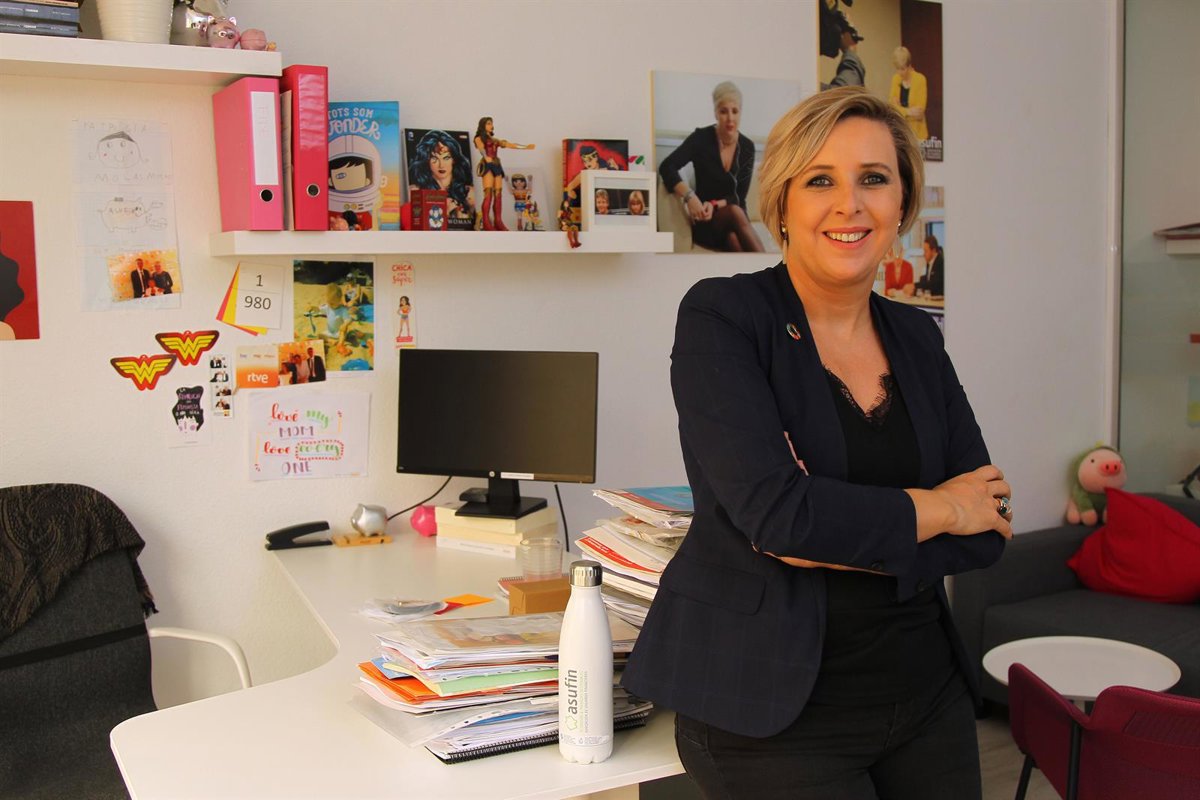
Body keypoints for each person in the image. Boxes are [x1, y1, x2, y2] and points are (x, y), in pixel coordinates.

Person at [622, 86, 1012, 800]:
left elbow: (990, 525)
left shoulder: (918, 337)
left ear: (901, 201)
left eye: (874, 178)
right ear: (782, 201)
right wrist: (942, 509)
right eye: (821, 181)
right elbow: (782, 517)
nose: (849, 205)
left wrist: (830, 523)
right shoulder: (725, 318)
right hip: (769, 708)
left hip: (926, 691)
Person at [659, 81, 764, 252]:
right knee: (734, 212)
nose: (730, 118)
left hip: (733, 220)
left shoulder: (747, 147)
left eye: (735, 111)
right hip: (706, 221)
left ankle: (761, 268)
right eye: (723, 111)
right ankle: (771, 265)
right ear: (715, 112)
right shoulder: (701, 139)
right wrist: (690, 197)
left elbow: (739, 196)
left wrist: (715, 204)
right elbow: (667, 166)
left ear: (741, 112)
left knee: (733, 238)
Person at [473, 117, 534, 231]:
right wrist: (486, 157)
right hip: (488, 165)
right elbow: (481, 148)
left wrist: (525, 147)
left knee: (498, 193)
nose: (491, 126)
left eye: (491, 123)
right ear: (483, 125)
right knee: (488, 193)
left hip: (496, 165)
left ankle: (498, 221)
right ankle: (486, 222)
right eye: (488, 123)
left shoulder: (495, 140)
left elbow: (510, 145)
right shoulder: (479, 138)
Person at [408, 130, 475, 228]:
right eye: (434, 158)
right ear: (426, 160)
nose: (441, 165)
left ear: (454, 159)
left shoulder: (469, 193)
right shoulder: (415, 192)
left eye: (446, 158)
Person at [889, 46, 929, 141]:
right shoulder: (895, 79)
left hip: (918, 135)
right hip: (901, 133)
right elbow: (892, 108)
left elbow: (919, 113)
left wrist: (900, 110)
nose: (900, 73)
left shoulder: (920, 79)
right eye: (897, 69)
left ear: (909, 65)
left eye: (903, 69)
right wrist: (908, 112)